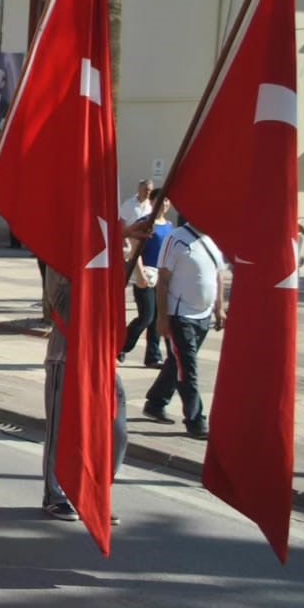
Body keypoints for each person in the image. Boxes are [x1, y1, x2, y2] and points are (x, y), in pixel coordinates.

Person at [41, 266, 128, 522]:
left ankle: (94, 492)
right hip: (65, 356)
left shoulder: (107, 252)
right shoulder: (59, 258)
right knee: (59, 431)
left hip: (102, 360)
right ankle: (54, 495)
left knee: (117, 431)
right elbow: (65, 306)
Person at [143, 218, 225, 438]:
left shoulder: (213, 239)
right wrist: (162, 317)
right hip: (180, 316)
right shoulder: (176, 239)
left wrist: (219, 308)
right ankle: (196, 420)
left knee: (177, 362)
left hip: (203, 316)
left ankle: (155, 401)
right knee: (188, 369)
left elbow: (218, 275)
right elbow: (163, 279)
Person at [120, 199, 173, 368]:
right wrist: (140, 274)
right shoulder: (145, 223)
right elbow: (135, 251)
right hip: (145, 274)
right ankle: (121, 347)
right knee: (146, 316)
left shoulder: (169, 226)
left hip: (162, 276)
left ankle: (152, 356)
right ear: (154, 202)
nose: (164, 205)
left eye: (167, 202)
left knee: (158, 317)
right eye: (161, 201)